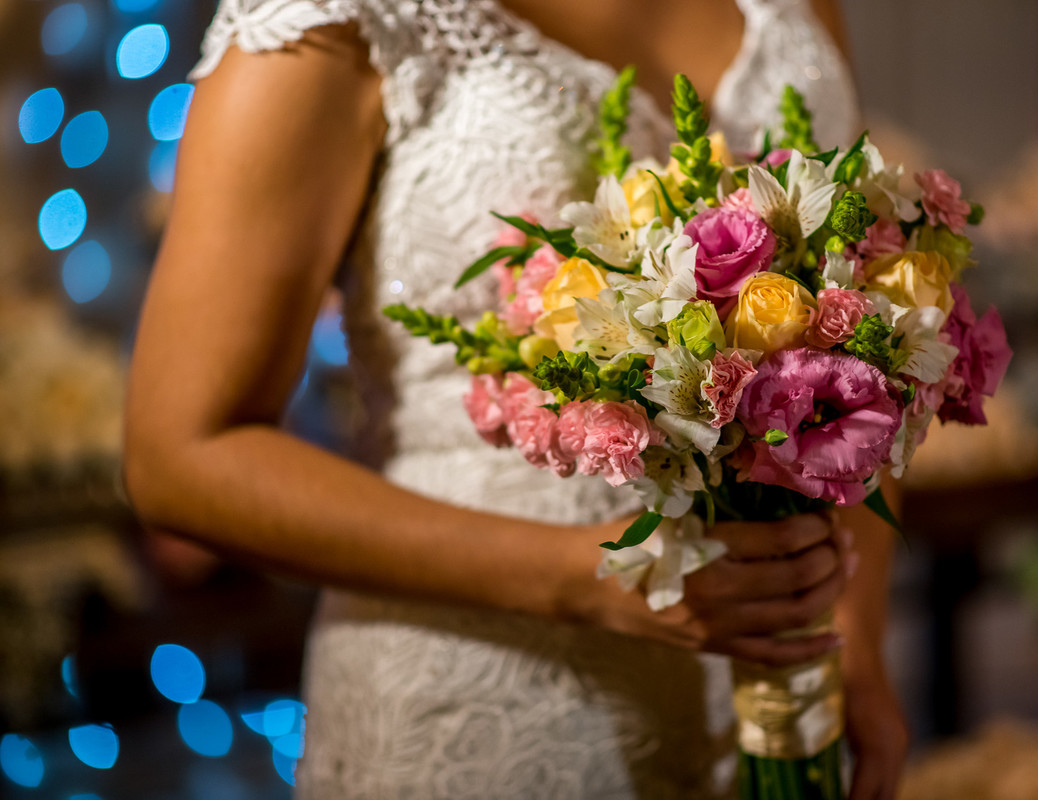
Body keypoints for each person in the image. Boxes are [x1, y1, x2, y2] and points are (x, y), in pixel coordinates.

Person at [123, 0, 908, 796]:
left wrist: (855, 634)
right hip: (487, 706)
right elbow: (180, 458)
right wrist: (588, 576)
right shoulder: (328, 23)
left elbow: (859, 326)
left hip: (775, 695)